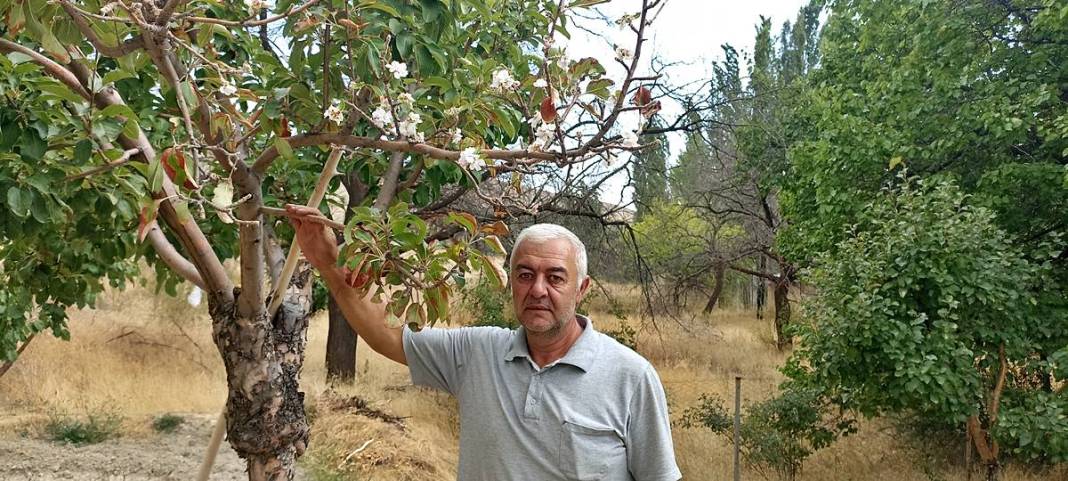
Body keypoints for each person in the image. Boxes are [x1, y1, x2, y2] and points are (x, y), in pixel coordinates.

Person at [287, 204, 682, 481]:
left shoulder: (631, 377)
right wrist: (328, 263)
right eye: (525, 275)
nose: (538, 290)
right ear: (511, 283)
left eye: (556, 277)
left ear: (582, 289)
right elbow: (387, 334)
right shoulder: (478, 354)